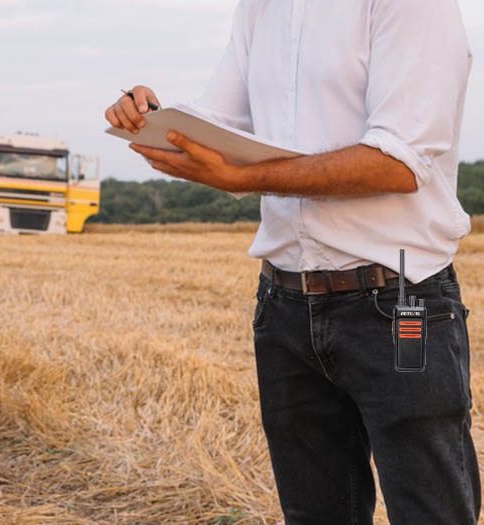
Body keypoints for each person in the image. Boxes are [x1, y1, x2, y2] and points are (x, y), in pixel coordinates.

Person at [104, 1, 477, 523]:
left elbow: (398, 162)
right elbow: (222, 122)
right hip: (283, 307)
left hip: (399, 304)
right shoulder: (261, 7)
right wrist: (156, 120)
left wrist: (246, 178)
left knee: (430, 513)